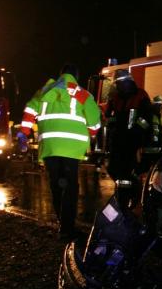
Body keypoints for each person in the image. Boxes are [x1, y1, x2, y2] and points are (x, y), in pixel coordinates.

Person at [18, 64, 101, 240]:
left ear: (60, 74)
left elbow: (29, 111)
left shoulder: (44, 90)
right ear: (76, 75)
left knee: (56, 185)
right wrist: (92, 134)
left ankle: (62, 224)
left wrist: (23, 133)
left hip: (49, 146)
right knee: (70, 187)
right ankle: (67, 229)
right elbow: (94, 122)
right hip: (71, 148)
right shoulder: (82, 93)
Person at [104, 69, 152, 208]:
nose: (117, 87)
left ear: (127, 82)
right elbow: (109, 117)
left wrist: (137, 132)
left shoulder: (141, 96)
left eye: (118, 83)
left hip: (133, 141)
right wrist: (112, 125)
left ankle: (126, 198)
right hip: (118, 140)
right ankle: (128, 189)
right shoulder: (115, 98)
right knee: (113, 168)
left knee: (125, 172)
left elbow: (146, 118)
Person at [136, 95, 162, 174]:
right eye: (160, 106)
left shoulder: (158, 117)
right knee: (143, 169)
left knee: (158, 169)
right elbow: (140, 126)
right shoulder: (148, 115)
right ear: (155, 105)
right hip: (149, 149)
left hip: (157, 149)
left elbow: (158, 132)